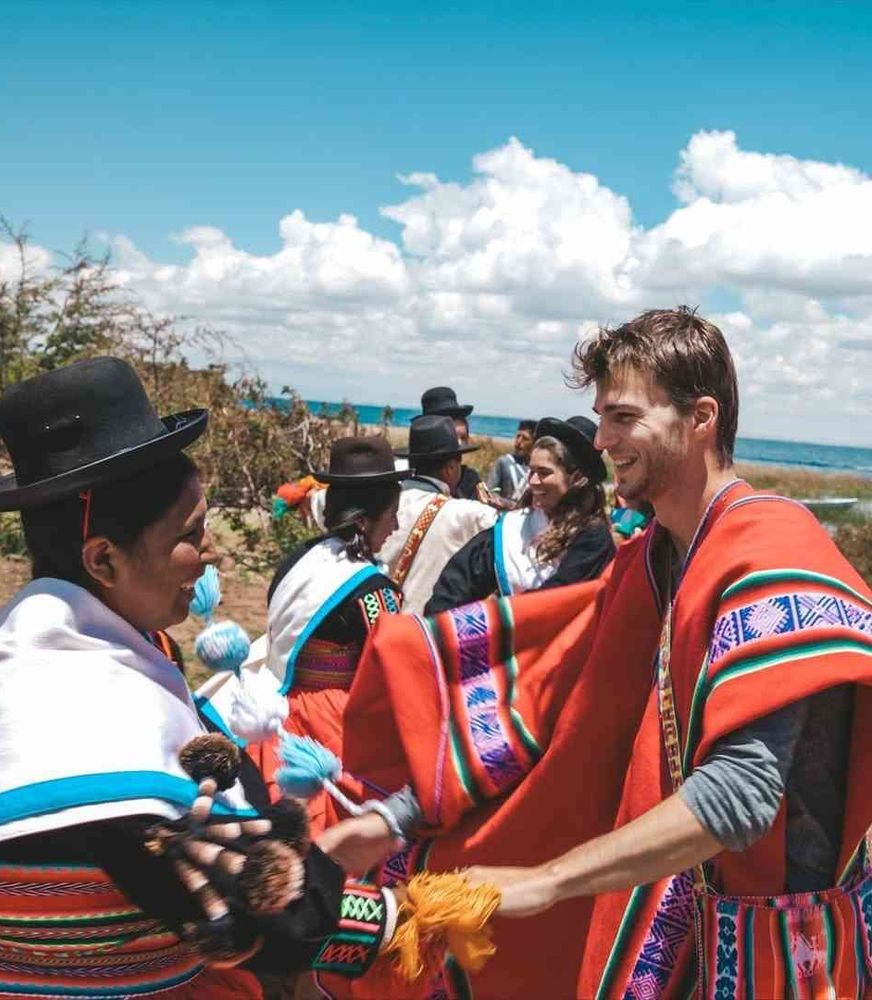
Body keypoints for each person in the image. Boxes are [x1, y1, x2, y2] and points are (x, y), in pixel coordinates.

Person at [340, 308, 871, 998]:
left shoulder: (772, 555)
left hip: (784, 953)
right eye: (600, 416)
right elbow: (550, 710)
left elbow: (741, 796)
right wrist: (388, 822)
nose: (601, 439)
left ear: (700, 417)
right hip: (693, 935)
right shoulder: (653, 563)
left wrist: (546, 881)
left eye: (623, 417)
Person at [0, 359, 404, 998]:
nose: (211, 555)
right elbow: (277, 922)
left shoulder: (8, 656)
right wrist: (381, 887)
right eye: (191, 535)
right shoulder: (104, 714)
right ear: (103, 558)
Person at [252, 436, 407, 833]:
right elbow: (386, 671)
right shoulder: (373, 591)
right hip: (333, 722)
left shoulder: (300, 561)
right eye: (393, 514)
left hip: (279, 710)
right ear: (364, 519)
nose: (397, 526)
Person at [426, 415, 614, 612]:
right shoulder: (514, 527)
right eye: (531, 471)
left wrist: (493, 615)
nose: (532, 481)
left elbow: (557, 599)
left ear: (576, 478)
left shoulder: (593, 539)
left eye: (544, 473)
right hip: (508, 636)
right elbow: (458, 581)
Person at [376, 415, 498, 615]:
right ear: (451, 467)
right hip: (425, 634)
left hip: (378, 628)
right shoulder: (467, 514)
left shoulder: (379, 503)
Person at [418, 386, 483, 500]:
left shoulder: (469, 480)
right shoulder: (412, 482)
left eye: (463, 438)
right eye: (453, 438)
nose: (459, 445)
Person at [485, 419, 537, 504]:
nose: (519, 441)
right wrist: (507, 504)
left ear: (534, 443)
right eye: (518, 436)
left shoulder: (536, 469)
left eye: (525, 438)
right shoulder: (504, 462)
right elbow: (490, 492)